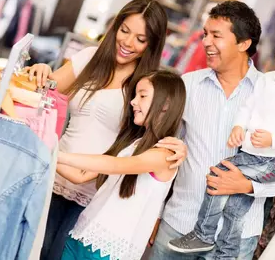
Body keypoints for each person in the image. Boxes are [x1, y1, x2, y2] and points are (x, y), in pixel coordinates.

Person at [26, 0, 188, 260]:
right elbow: (46, 90)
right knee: (30, 251)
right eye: (124, 31)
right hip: (52, 176)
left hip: (93, 191)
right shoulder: (90, 58)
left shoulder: (147, 86)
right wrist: (42, 70)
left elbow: (153, 136)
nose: (127, 43)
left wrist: (179, 145)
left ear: (152, 44)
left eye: (140, 39)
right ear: (115, 26)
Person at [147, 1, 275, 260]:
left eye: (216, 35)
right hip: (179, 222)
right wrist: (155, 213)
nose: (206, 42)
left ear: (244, 43)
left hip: (235, 240)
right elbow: (165, 155)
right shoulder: (188, 85)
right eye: (205, 34)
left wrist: (248, 186)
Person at [168, 20, 275, 258]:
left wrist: (273, 140)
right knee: (235, 207)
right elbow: (248, 106)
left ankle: (203, 235)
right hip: (251, 154)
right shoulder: (268, 79)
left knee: (219, 174)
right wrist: (238, 127)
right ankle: (228, 250)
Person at [55, 70, 186, 260]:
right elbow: (80, 175)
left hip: (109, 251)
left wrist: (57, 154)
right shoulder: (133, 144)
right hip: (83, 235)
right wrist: (45, 150)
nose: (133, 102)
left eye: (142, 95)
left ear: (165, 104)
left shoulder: (165, 155)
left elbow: (115, 165)